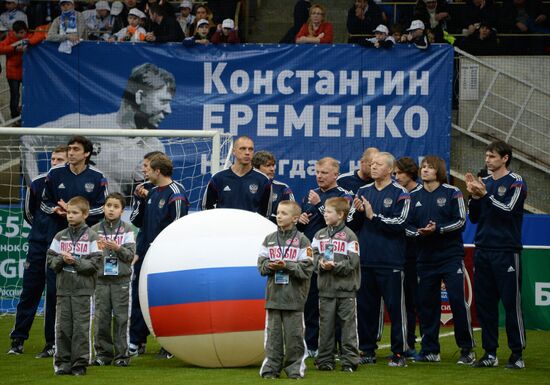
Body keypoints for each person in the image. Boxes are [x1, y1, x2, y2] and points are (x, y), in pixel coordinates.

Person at [24, 63, 175, 195]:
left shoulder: (154, 147)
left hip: (117, 223)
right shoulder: (87, 126)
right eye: (163, 101)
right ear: (139, 97)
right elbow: (28, 139)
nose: (168, 110)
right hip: (78, 218)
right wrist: (35, 190)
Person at [465, 140, 527, 369]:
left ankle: (517, 354)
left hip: (506, 250)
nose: (487, 159)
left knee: (511, 304)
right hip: (483, 250)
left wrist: (486, 195)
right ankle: (490, 353)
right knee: (485, 306)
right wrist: (474, 196)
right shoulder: (485, 182)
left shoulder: (516, 181)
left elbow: (509, 210)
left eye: (492, 156)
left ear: (505, 158)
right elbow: (473, 218)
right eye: (486, 156)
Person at [407, 156, 475, 364]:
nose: (425, 170)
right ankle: (430, 350)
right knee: (427, 305)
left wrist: (439, 229)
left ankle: (467, 349)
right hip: (424, 258)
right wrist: (418, 233)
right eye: (423, 167)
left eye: (429, 168)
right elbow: (405, 225)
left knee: (456, 301)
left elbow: (462, 221)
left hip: (450, 256)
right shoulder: (413, 196)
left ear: (439, 171)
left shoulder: (452, 192)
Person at [351, 151, 410, 367]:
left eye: (378, 164)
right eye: (371, 164)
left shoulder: (401, 193)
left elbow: (400, 224)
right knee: (366, 308)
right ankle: (367, 350)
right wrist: (358, 213)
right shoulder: (363, 190)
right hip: (365, 260)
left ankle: (399, 353)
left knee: (396, 308)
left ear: (389, 170)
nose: (373, 167)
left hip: (391, 261)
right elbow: (352, 223)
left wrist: (373, 217)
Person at [8, 146, 68, 357]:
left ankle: (51, 343)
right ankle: (17, 340)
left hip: (60, 249)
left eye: (60, 159)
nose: (55, 162)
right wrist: (43, 230)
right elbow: (28, 214)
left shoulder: (70, 184)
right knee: (29, 293)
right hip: (38, 245)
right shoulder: (37, 182)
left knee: (53, 295)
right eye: (53, 158)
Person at [129, 153, 189, 358]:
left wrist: (170, 255)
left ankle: (170, 345)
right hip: (145, 254)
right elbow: (139, 223)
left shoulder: (176, 192)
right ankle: (136, 342)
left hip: (165, 257)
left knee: (166, 299)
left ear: (158, 171)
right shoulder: (152, 192)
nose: (144, 171)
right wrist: (138, 199)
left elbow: (179, 228)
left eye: (147, 168)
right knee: (139, 295)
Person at [297, 156, 353, 357]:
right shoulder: (310, 196)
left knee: (333, 304)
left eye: (324, 173)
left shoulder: (344, 196)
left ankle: (337, 347)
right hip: (312, 255)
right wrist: (300, 220)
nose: (319, 176)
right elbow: (304, 225)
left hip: (333, 256)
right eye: (317, 172)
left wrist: (320, 204)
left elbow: (345, 222)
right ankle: (311, 345)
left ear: (335, 174)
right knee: (311, 303)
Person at [46, 196, 102, 376]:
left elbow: (95, 265)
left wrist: (75, 261)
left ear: (85, 214)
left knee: (81, 329)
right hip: (63, 290)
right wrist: (62, 259)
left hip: (83, 291)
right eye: (68, 212)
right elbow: (50, 262)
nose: (70, 216)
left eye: (74, 213)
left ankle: (79, 364)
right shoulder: (59, 236)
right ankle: (62, 363)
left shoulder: (93, 237)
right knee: (62, 328)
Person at [258, 200, 313, 379]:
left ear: (295, 218)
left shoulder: (303, 241)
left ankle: (295, 369)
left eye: (283, 213)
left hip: (294, 299)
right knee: (272, 339)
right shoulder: (269, 239)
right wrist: (271, 266)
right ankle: (270, 369)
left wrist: (286, 265)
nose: (279, 216)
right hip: (273, 298)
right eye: (278, 213)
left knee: (294, 339)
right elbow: (261, 266)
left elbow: (306, 269)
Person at [313, 197, 361, 372]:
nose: (325, 214)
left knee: (348, 328)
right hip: (325, 290)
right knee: (325, 327)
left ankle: (349, 361)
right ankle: (325, 360)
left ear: (340, 215)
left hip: (346, 290)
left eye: (328, 211)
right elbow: (313, 256)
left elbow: (353, 262)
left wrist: (335, 266)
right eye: (325, 211)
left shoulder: (350, 236)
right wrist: (320, 263)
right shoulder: (319, 235)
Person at [91, 192, 136, 367]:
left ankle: (122, 356)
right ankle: (103, 355)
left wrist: (117, 248)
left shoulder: (127, 229)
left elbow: (130, 255)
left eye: (116, 207)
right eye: (108, 205)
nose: (111, 210)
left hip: (121, 281)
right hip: (101, 281)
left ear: (122, 210)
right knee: (101, 319)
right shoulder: (94, 230)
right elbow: (89, 257)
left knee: (121, 318)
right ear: (103, 207)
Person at [202, 136, 272, 216]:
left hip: (251, 227)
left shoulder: (263, 180)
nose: (247, 152)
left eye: (250, 149)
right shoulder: (218, 178)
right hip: (224, 227)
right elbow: (206, 207)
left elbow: (266, 213)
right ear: (233, 151)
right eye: (242, 148)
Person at [394, 157, 422, 357]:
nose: (396, 177)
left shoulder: (420, 193)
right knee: (403, 302)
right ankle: (407, 343)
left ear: (410, 173)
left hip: (420, 256)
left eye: (399, 173)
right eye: (394, 173)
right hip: (400, 256)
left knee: (418, 301)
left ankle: (427, 346)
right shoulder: (397, 194)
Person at [0, 20, 48, 120]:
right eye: (20, 33)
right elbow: (1, 48)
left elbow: (41, 33)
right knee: (15, 96)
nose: (23, 35)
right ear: (14, 32)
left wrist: (28, 42)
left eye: (24, 32)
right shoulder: (9, 38)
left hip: (26, 72)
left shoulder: (27, 37)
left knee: (30, 93)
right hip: (13, 73)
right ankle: (15, 118)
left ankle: (27, 113)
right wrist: (14, 49)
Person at [252, 150, 294, 224]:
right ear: (256, 168)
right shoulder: (246, 187)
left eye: (273, 165)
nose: (272, 169)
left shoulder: (283, 188)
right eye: (268, 166)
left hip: (274, 232)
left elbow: (292, 213)